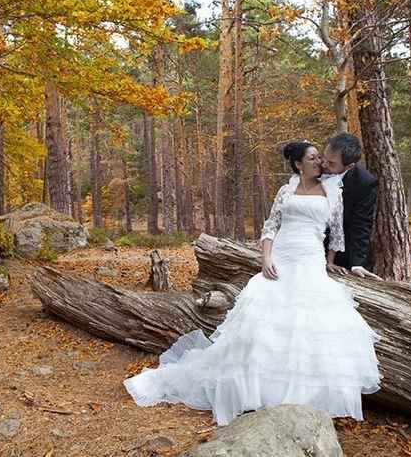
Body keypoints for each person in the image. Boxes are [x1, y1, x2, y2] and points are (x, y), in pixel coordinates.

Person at [123, 141, 381, 426]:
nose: (319, 161)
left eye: (321, 157)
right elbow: (271, 226)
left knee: (308, 327)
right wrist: (266, 258)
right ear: (298, 164)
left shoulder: (333, 190)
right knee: (264, 324)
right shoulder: (286, 190)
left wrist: (332, 261)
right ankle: (255, 393)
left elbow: (337, 232)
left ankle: (301, 399)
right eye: (313, 157)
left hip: (310, 260)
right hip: (281, 258)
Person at [322, 133, 380, 280]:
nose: (323, 165)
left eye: (331, 163)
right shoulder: (313, 167)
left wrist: (357, 263)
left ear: (349, 166)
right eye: (324, 158)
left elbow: (361, 224)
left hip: (339, 254)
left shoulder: (364, 183)